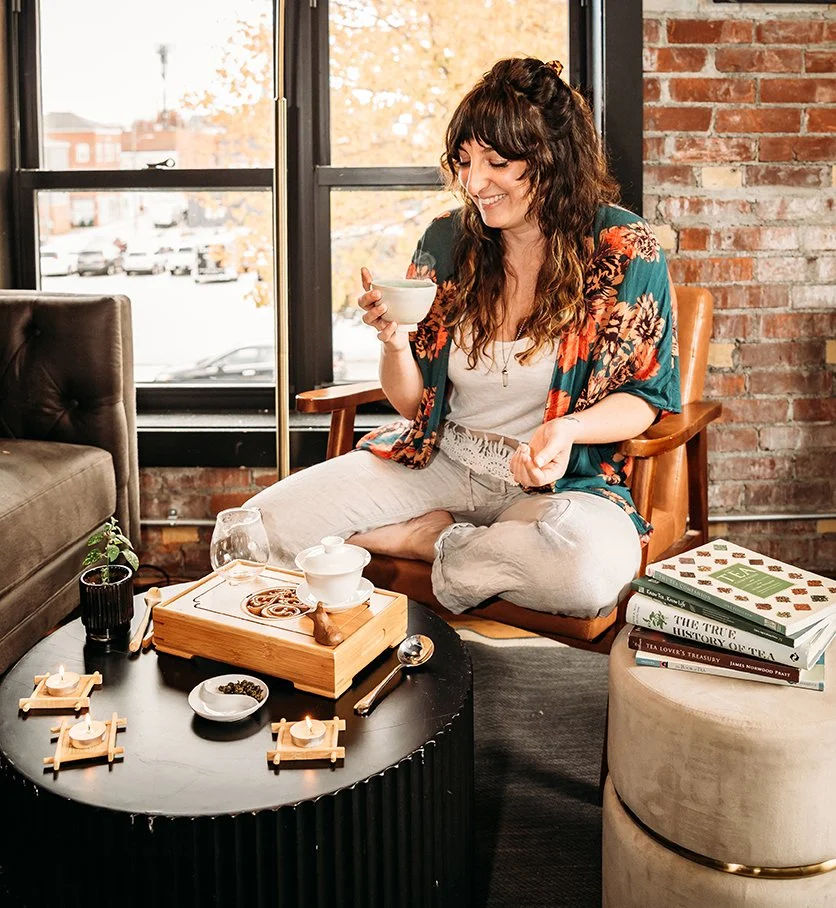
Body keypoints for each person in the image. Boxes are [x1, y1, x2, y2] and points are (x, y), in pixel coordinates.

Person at [248, 56, 680, 619]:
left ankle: (428, 541)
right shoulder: (447, 242)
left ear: (554, 157)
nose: (474, 183)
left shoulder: (621, 245)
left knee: (583, 572)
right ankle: (458, 547)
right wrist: (393, 343)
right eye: (465, 161)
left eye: (497, 162)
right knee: (254, 529)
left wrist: (569, 428)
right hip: (439, 459)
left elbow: (644, 397)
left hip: (560, 484)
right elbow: (414, 405)